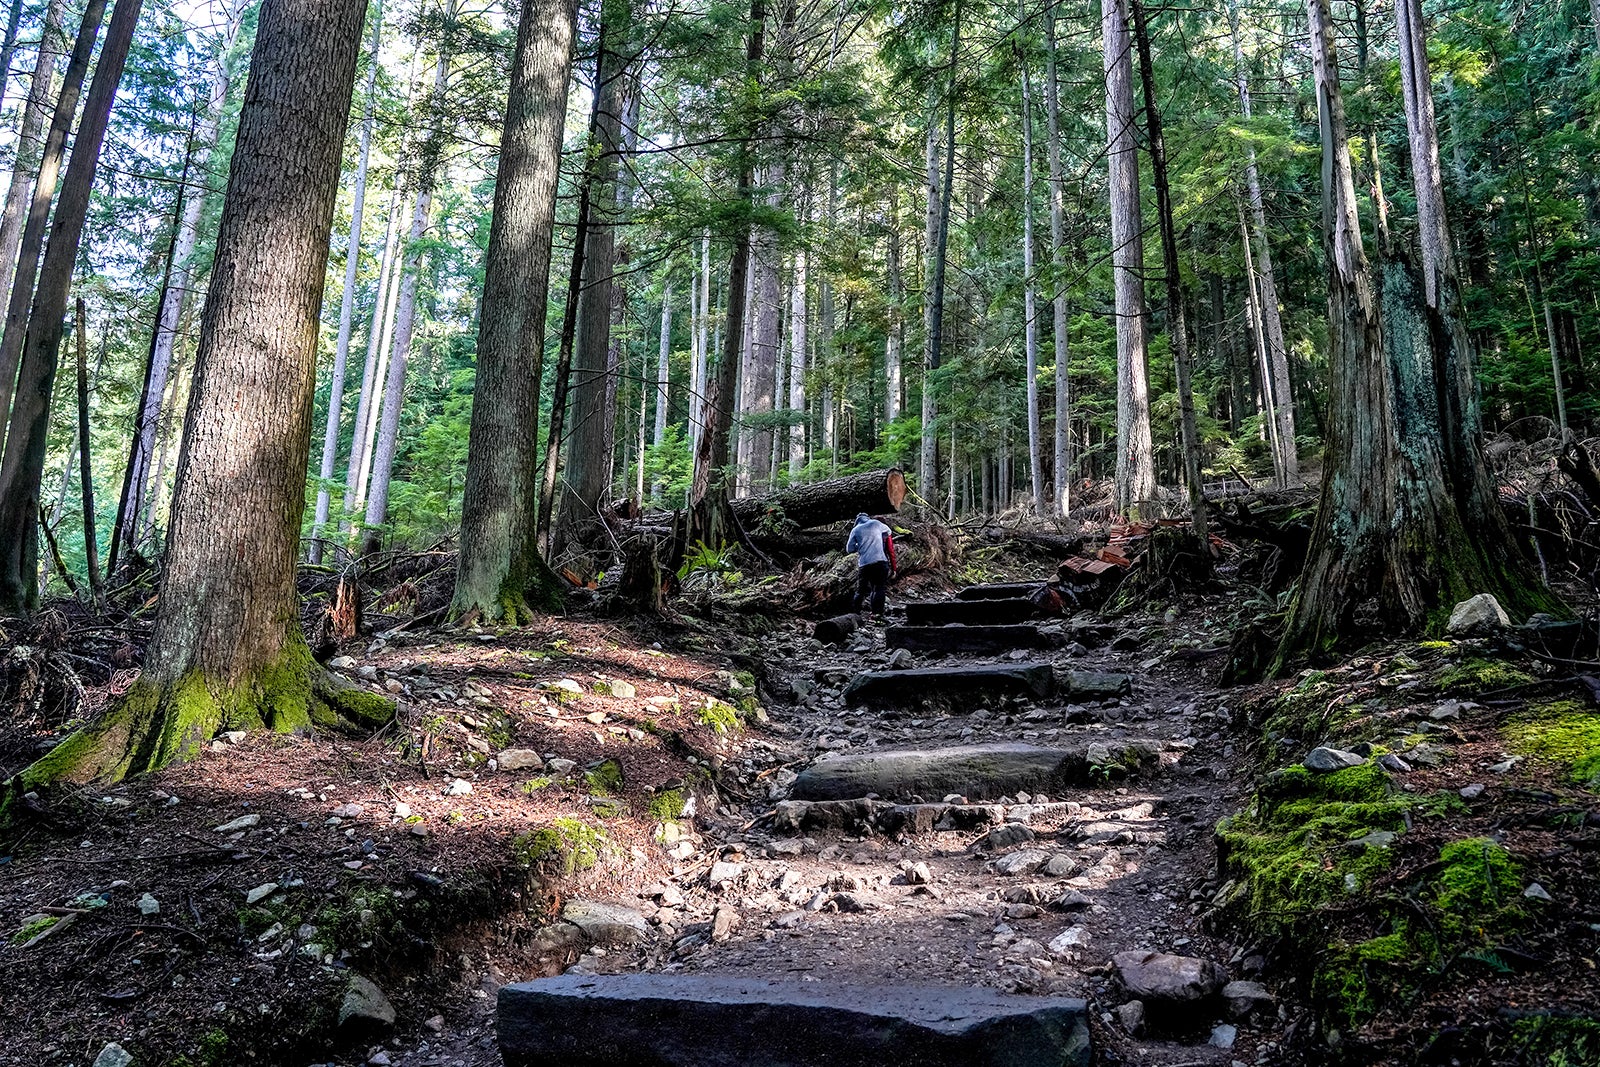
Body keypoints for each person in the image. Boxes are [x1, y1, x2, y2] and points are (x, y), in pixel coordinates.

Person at [845, 512, 896, 616]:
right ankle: (877, 615)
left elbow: (849, 549)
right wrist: (879, 538)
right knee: (878, 588)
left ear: (857, 520)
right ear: (867, 518)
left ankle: (855, 614)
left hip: (865, 564)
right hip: (880, 561)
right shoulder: (876, 524)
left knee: (861, 590)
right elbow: (888, 531)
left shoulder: (855, 530)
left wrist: (859, 546)